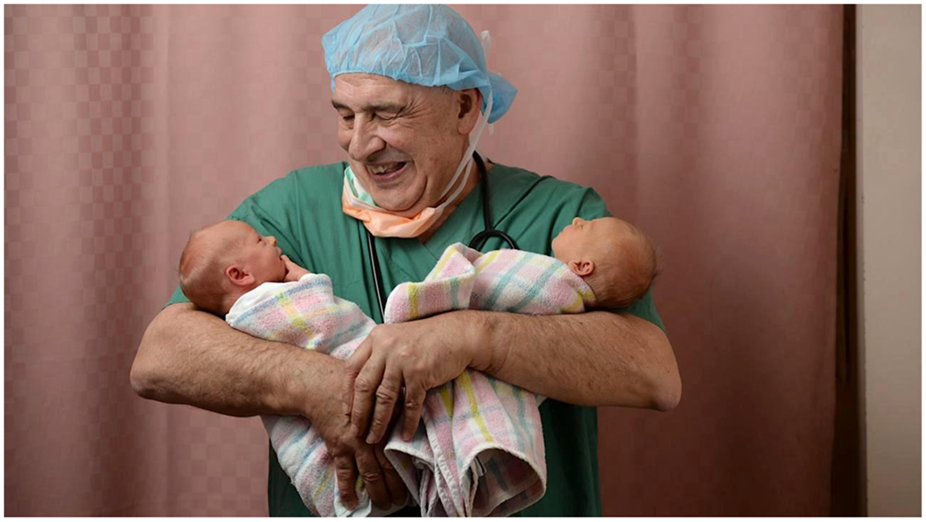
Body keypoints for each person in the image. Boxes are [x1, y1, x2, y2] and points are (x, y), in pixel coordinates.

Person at [131, 4, 681, 517]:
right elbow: (160, 357)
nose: (360, 144)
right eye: (346, 115)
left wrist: (472, 338)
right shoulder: (287, 211)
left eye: (386, 114)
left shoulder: (563, 215)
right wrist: (314, 385)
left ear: (465, 107)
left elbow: (654, 374)